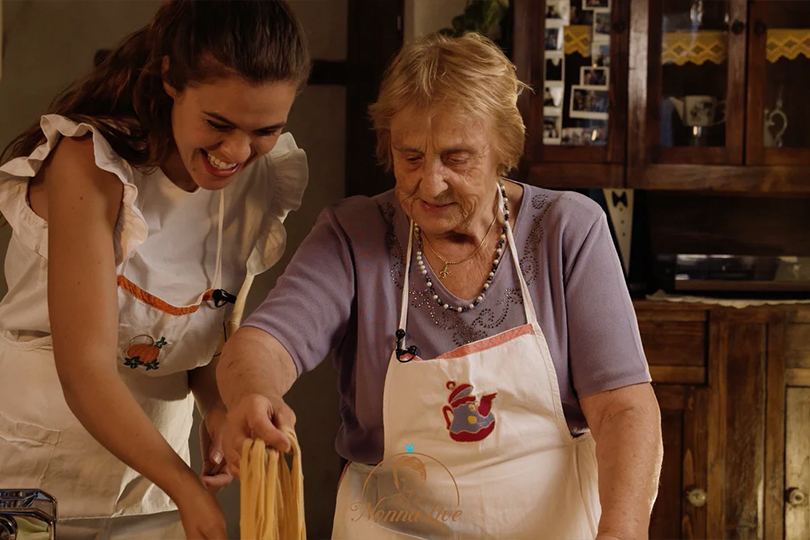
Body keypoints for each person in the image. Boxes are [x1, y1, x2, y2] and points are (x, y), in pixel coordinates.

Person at [218, 32, 662, 540]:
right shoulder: (354, 234)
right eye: (410, 157)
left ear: (503, 149)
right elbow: (263, 344)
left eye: (456, 158)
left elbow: (624, 407)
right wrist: (252, 393)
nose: (429, 183)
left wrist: (623, 530)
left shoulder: (566, 231)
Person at [0, 1, 309, 538]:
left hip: (149, 487)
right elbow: (86, 370)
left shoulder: (260, 182)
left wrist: (220, 412)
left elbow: (196, 339)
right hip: (37, 470)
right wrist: (185, 485)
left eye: (264, 130)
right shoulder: (90, 164)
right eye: (217, 123)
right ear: (170, 79)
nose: (235, 151)